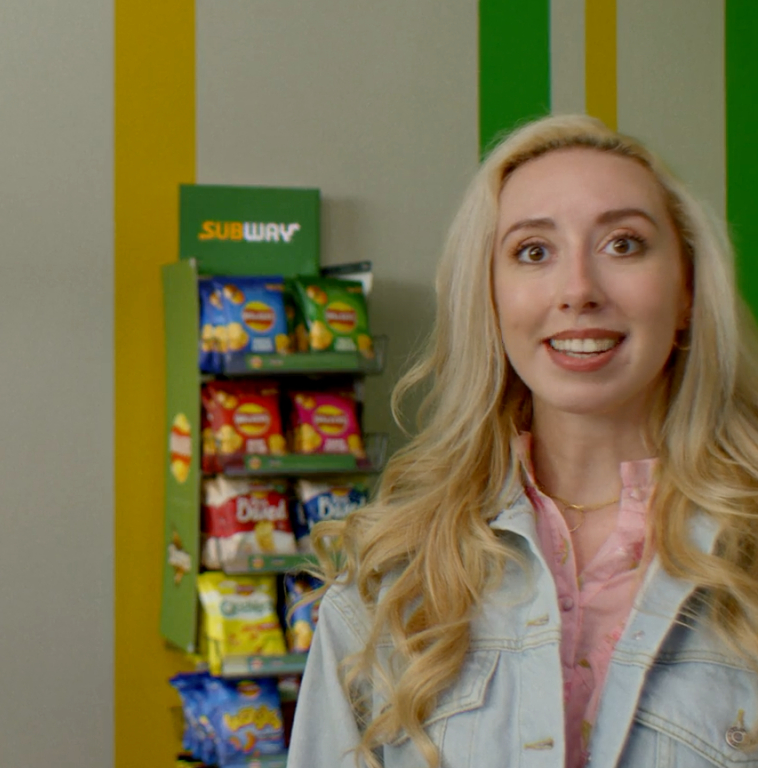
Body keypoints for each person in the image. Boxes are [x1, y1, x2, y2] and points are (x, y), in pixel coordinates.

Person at [286, 115, 758, 768]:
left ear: (686, 292)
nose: (579, 291)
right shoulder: (388, 583)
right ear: (490, 298)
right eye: (533, 251)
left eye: (623, 244)